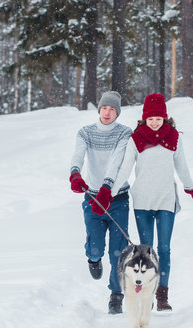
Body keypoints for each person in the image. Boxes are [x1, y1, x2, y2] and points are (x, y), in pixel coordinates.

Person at [108, 93, 193, 311]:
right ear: (144, 119)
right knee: (146, 250)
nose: (154, 122)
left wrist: (191, 188)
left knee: (165, 249)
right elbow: (125, 169)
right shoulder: (136, 139)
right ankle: (148, 294)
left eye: (158, 118)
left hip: (166, 200)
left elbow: (182, 167)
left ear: (165, 117)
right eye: (150, 119)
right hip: (142, 201)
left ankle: (162, 296)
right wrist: (110, 193)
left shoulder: (174, 138)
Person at [69, 91, 132, 314]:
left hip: (117, 200)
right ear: (99, 109)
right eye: (105, 108)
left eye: (112, 109)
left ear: (117, 112)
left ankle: (116, 295)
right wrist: (75, 173)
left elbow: (117, 161)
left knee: (118, 251)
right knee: (96, 247)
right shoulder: (85, 132)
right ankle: (93, 258)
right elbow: (78, 154)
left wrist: (107, 186)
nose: (107, 112)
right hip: (93, 199)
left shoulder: (124, 133)